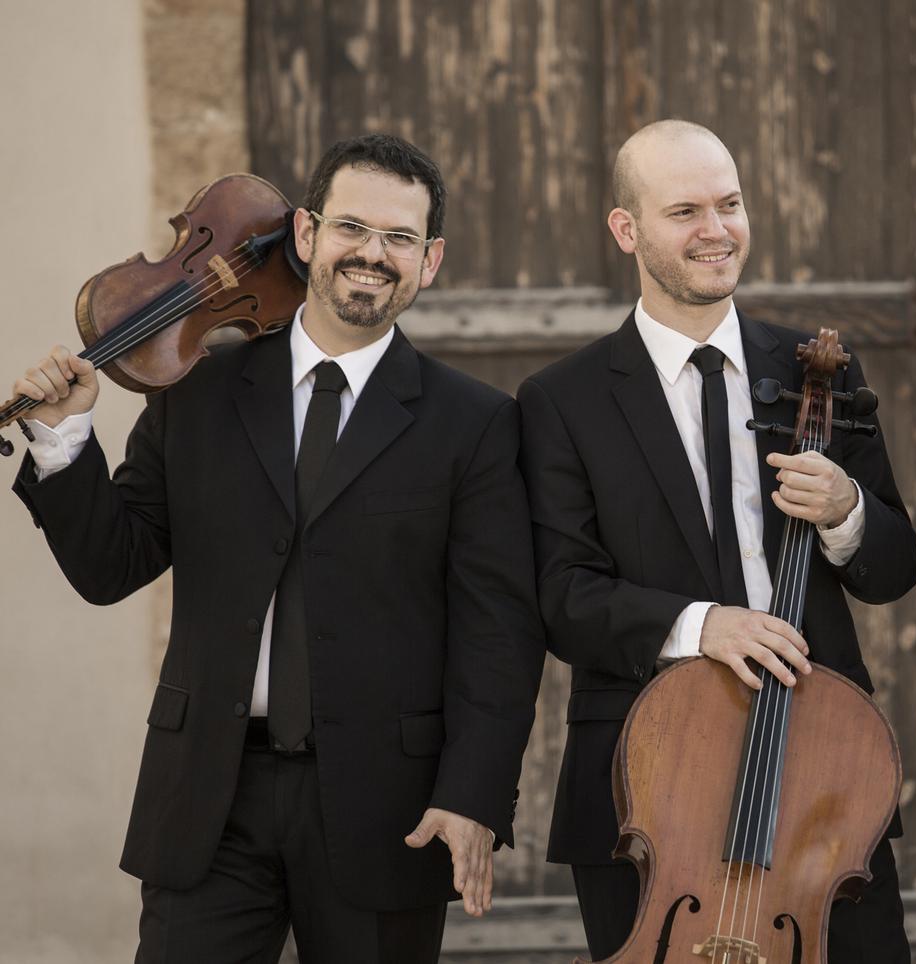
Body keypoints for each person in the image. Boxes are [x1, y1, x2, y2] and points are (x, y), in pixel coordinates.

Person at [11, 134, 545, 963]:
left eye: (399, 238)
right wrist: (64, 441)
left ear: (429, 260)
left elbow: (498, 633)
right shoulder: (195, 391)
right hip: (208, 799)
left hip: (386, 806)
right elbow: (111, 567)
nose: (372, 254)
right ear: (306, 233)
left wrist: (474, 795)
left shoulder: (474, 423)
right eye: (352, 228)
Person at [518, 119, 916, 962]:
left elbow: (894, 569)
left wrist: (847, 508)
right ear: (627, 229)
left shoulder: (818, 371)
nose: (717, 230)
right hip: (646, 791)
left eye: (730, 205)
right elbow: (562, 596)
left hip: (820, 778)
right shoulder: (564, 399)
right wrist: (704, 625)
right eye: (685, 212)